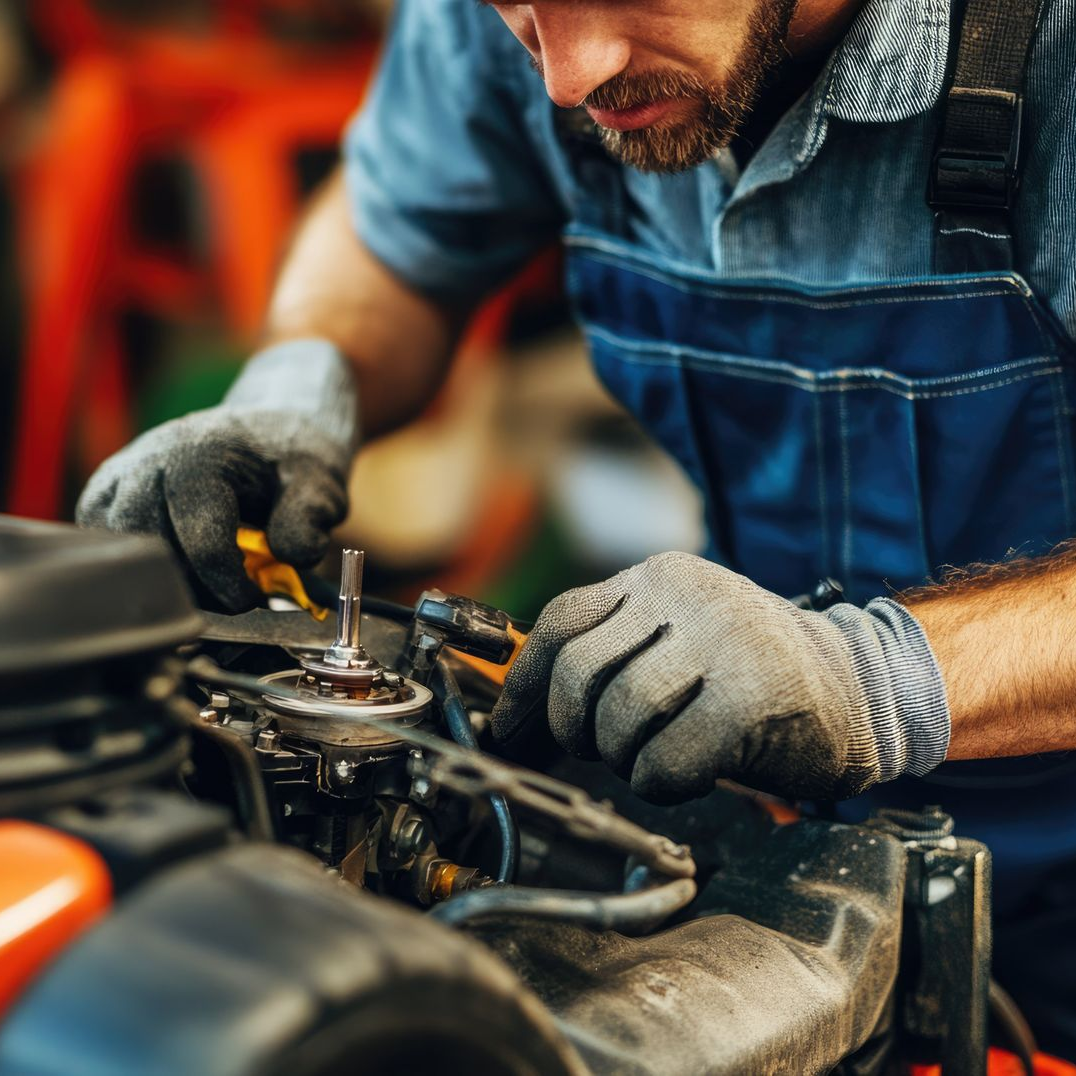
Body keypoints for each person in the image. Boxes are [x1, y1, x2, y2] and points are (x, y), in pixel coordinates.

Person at [78, 0, 1076, 1055]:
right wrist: (295, 391)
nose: (567, 77)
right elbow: (400, 237)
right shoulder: (530, 33)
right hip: (797, 858)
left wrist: (878, 678)